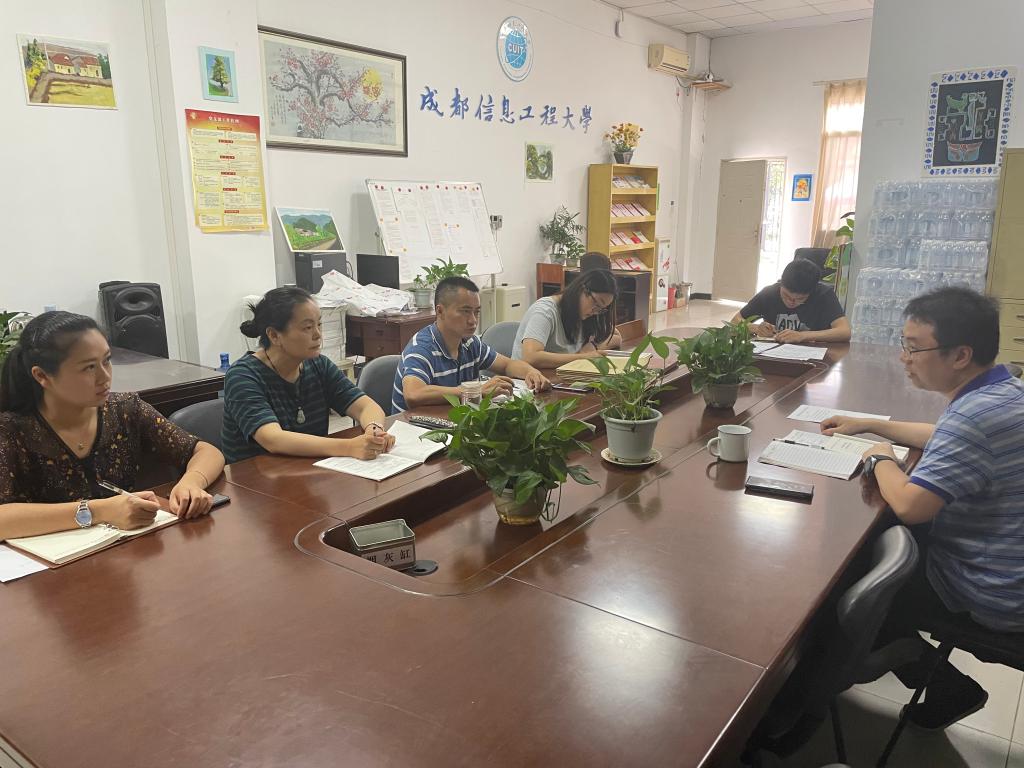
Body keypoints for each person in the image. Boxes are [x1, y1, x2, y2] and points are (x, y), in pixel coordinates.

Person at [821, 287, 1024, 729]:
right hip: (1010, 564)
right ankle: (943, 683)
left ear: (960, 355)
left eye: (914, 348)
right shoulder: (1004, 391)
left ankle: (942, 684)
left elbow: (912, 506)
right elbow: (944, 436)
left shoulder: (972, 418)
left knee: (850, 580)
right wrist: (872, 424)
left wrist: (880, 458)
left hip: (995, 590)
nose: (904, 358)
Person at [0, 311, 225, 541]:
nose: (104, 376)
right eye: (89, 367)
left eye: (106, 360)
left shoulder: (124, 409)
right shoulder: (11, 430)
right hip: (46, 561)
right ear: (42, 376)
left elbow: (205, 452)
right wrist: (100, 511)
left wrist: (191, 483)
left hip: (125, 551)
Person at [223, 287, 395, 464]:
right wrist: (349, 447)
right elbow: (273, 439)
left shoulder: (319, 365)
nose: (318, 334)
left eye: (319, 324)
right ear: (274, 335)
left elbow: (366, 407)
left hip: (307, 469)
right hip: (254, 476)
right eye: (307, 327)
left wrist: (374, 429)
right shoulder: (243, 377)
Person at [393, 276, 550, 412]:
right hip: (417, 431)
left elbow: (508, 365)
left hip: (454, 422)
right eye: (465, 311)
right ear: (440, 311)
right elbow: (413, 394)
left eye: (476, 312)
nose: (473, 320)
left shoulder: (470, 342)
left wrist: (531, 372)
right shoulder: (421, 347)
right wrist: (475, 390)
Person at [512, 268, 622, 367]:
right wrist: (583, 357)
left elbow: (616, 336)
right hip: (527, 379)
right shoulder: (545, 311)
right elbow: (531, 357)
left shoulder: (584, 314)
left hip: (557, 376)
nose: (595, 312)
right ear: (582, 289)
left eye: (601, 309)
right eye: (596, 303)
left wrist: (593, 346)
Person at [732, 259, 851, 343]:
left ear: (812, 291)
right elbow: (735, 321)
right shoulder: (769, 293)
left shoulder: (824, 295)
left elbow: (844, 331)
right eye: (786, 295)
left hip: (813, 357)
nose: (791, 302)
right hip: (773, 355)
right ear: (781, 283)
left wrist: (802, 336)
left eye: (800, 299)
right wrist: (756, 328)